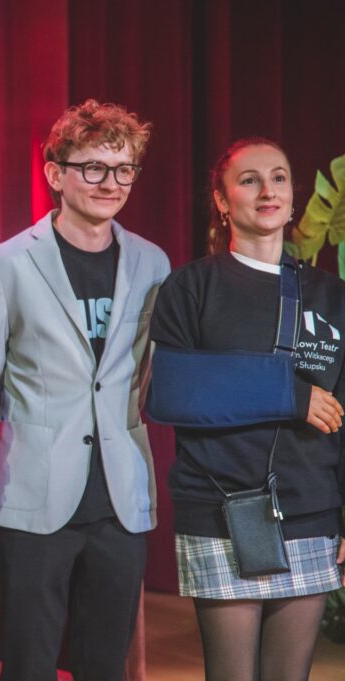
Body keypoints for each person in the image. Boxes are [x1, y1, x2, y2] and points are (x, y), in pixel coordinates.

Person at [0, 99, 170, 681]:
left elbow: (148, 374)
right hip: (33, 492)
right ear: (55, 174)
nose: (111, 182)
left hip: (120, 496)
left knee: (104, 665)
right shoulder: (3, 265)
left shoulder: (153, 264)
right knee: (29, 664)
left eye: (124, 169)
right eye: (94, 167)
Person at [148, 137, 345, 681]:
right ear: (221, 199)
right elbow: (173, 392)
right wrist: (291, 395)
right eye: (249, 180)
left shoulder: (331, 295)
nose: (267, 191)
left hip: (311, 511)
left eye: (278, 178)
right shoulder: (191, 287)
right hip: (219, 510)